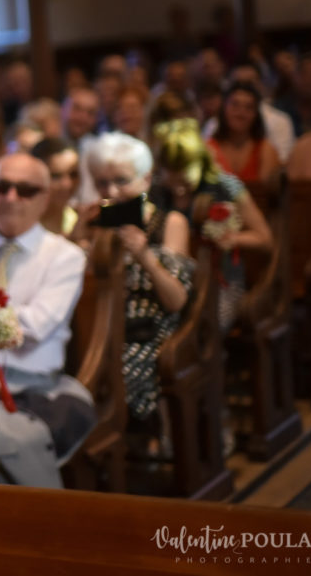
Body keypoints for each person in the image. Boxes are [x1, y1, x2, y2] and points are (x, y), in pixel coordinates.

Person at [0, 153, 94, 488]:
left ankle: (37, 525)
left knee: (0, 439)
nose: (11, 198)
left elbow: (35, 325)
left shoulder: (64, 257)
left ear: (44, 199)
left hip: (30, 387)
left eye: (25, 190)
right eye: (2, 186)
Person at [71, 133, 193, 449]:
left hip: (148, 332)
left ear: (147, 178)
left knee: (105, 380)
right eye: (102, 183)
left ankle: (104, 451)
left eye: (121, 181)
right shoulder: (98, 221)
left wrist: (144, 255)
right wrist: (78, 236)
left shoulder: (170, 222)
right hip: (97, 328)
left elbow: (176, 300)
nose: (111, 192)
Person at [153, 119, 273, 332]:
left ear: (200, 161)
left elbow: (264, 238)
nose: (178, 185)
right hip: (174, 283)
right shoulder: (158, 193)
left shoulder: (225, 186)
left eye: (184, 173)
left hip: (221, 284)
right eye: (171, 173)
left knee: (202, 330)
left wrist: (231, 238)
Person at [206, 81, 281, 184]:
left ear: (256, 115)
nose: (241, 113)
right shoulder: (207, 149)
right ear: (223, 109)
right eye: (235, 105)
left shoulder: (266, 150)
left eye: (248, 107)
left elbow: (267, 195)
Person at [30, 138, 80, 237]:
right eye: (56, 176)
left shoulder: (78, 221)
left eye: (73, 175)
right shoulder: (21, 223)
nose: (67, 184)